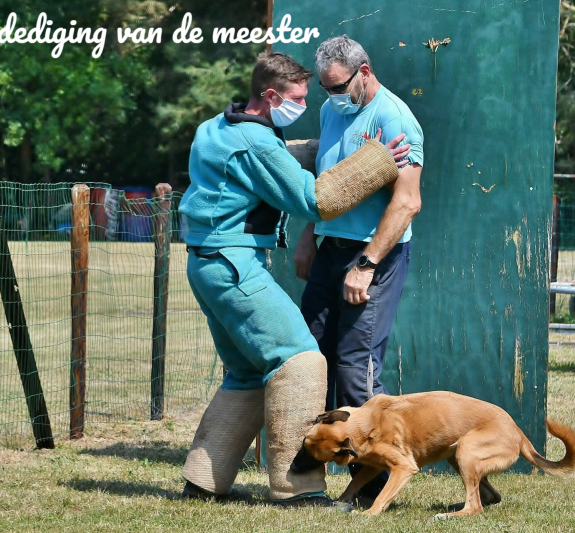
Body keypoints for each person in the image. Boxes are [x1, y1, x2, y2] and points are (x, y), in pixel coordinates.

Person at [178, 51, 411, 508]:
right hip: (234, 263)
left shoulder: (216, 127)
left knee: (249, 372)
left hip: (205, 261)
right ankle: (297, 490)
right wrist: (377, 159)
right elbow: (315, 200)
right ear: (270, 96)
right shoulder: (257, 143)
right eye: (298, 98)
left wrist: (321, 151)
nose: (306, 105)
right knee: (299, 361)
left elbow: (267, 158)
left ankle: (203, 481)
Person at [293, 35, 424, 506]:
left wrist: (366, 265)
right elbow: (329, 184)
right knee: (311, 357)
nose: (331, 96)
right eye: (325, 88)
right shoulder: (333, 111)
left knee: (356, 370)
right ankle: (307, 472)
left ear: (363, 72)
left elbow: (407, 202)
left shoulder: (395, 119)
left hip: (374, 257)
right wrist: (309, 235)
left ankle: (374, 485)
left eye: (338, 86)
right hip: (330, 248)